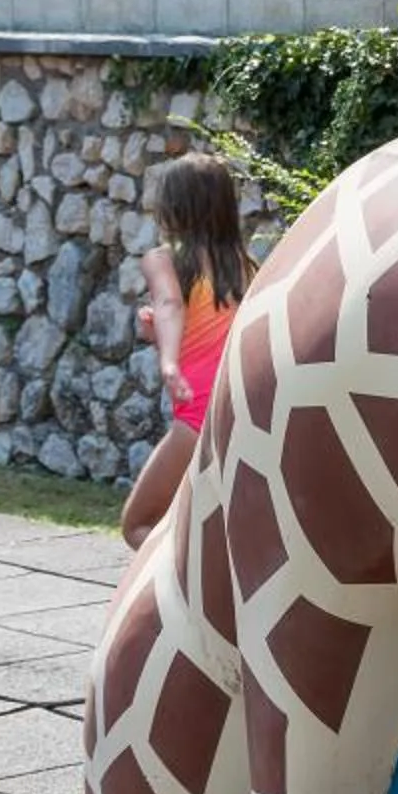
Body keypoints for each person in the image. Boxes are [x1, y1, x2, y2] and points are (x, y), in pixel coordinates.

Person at [121, 151, 258, 551]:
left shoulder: (161, 260)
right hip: (241, 404)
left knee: (139, 525)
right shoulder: (244, 265)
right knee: (214, 518)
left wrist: (167, 364)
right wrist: (161, 338)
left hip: (197, 408)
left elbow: (169, 305)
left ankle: (187, 595)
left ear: (174, 206)